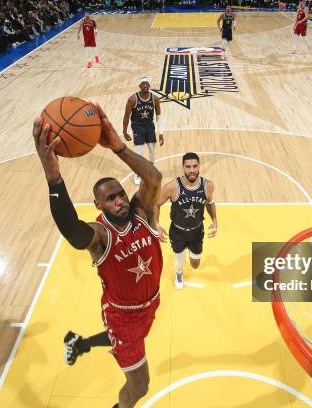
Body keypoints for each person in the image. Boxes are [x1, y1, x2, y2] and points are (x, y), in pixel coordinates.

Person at [33, 104, 163, 408]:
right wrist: (54, 178)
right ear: (99, 205)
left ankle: (80, 343)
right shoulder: (101, 236)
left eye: (120, 194)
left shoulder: (140, 210)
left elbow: (154, 179)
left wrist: (118, 146)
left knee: (127, 344)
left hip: (150, 302)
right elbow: (72, 229)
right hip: (123, 315)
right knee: (140, 386)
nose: (119, 200)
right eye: (111, 198)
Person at [154, 153, 217, 289]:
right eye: (188, 167)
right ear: (183, 167)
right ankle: (179, 273)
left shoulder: (208, 186)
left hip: (197, 231)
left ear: (199, 166)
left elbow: (210, 202)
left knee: (195, 265)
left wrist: (215, 220)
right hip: (178, 231)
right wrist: (156, 225)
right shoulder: (172, 187)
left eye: (194, 166)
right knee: (179, 259)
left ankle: (191, 252)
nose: (192, 170)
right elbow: (156, 204)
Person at [122, 77, 164, 185]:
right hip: (137, 127)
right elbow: (126, 116)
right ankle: (138, 174)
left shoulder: (155, 99)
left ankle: (151, 170)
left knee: (152, 151)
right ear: (139, 86)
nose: (145, 85)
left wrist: (161, 133)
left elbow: (159, 116)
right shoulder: (133, 99)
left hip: (149, 126)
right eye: (142, 84)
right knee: (138, 153)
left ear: (149, 86)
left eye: (146, 83)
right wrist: (124, 131)